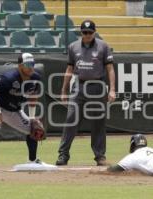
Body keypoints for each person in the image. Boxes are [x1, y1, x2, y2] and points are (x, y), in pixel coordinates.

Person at [56, 20, 115, 166]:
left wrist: (112, 89)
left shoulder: (103, 46)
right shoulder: (73, 47)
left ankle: (100, 156)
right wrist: (64, 90)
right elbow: (69, 69)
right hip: (79, 86)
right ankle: (63, 155)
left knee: (98, 123)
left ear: (94, 32)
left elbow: (110, 69)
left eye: (90, 32)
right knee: (71, 120)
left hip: (98, 87)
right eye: (84, 32)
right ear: (81, 32)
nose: (87, 35)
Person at [0, 53, 45, 173]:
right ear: (20, 66)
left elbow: (33, 96)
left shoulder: (35, 78)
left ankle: (32, 161)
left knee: (33, 129)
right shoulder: (9, 78)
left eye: (32, 64)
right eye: (27, 64)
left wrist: (32, 118)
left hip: (14, 110)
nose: (31, 67)